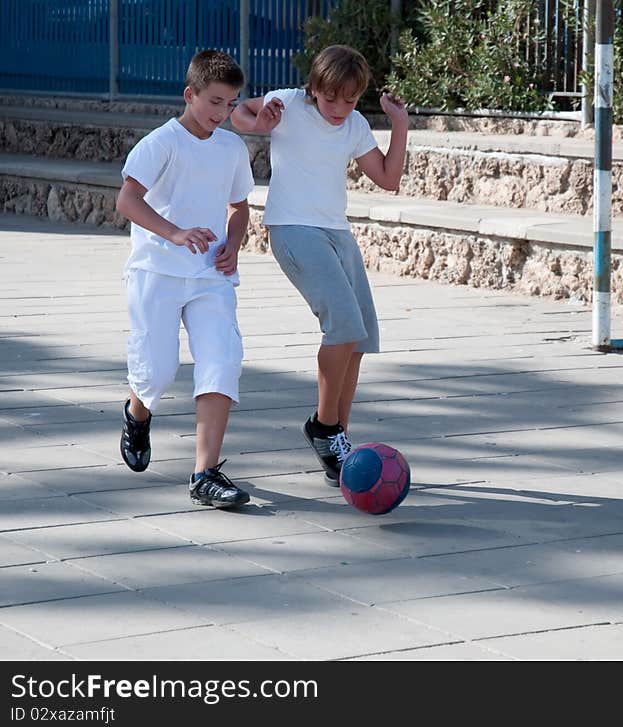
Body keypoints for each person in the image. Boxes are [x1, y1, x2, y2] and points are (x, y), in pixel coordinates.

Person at [230, 44, 408, 487]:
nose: (339, 109)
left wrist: (400, 124)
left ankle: (338, 442)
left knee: (362, 334)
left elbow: (388, 178)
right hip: (293, 229)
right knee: (344, 325)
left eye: (349, 101)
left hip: (337, 234)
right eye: (331, 99)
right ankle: (324, 428)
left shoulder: (356, 125)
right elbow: (237, 112)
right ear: (314, 88)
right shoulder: (288, 102)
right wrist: (259, 123)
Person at [116, 49, 254, 509]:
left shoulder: (232, 148)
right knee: (156, 372)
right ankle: (138, 412)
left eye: (232, 104)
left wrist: (233, 244)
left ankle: (205, 473)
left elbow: (239, 207)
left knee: (221, 360)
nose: (223, 113)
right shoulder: (162, 143)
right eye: (215, 101)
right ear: (190, 94)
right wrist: (175, 233)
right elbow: (128, 202)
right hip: (156, 269)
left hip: (210, 274)